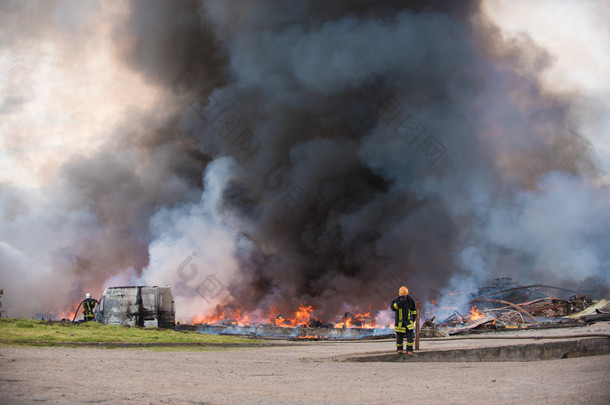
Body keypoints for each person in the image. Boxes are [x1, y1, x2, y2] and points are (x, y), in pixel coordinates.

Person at [391, 286, 417, 355]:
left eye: (405, 295)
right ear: (400, 295)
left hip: (408, 322)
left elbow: (413, 310)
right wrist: (400, 302)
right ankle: (399, 349)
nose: (405, 296)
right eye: (403, 295)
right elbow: (393, 308)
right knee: (399, 337)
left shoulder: (410, 300)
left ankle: (410, 350)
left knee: (410, 337)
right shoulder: (396, 300)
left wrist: (413, 319)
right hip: (400, 323)